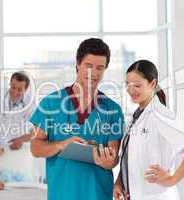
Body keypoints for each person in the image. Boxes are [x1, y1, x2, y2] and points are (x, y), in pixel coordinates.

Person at [30, 38, 125, 200]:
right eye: (88, 66)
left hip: (98, 194)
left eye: (100, 68)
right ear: (78, 64)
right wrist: (62, 145)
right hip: (62, 194)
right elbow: (35, 148)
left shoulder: (112, 110)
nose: (94, 73)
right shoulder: (51, 103)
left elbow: (113, 157)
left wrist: (108, 161)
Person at [113, 60, 184, 200]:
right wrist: (119, 182)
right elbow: (129, 158)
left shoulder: (160, 114)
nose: (131, 90)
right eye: (128, 85)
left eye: (137, 85)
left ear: (153, 84)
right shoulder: (137, 117)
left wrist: (172, 179)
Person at [0, 71, 35, 150]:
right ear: (10, 84)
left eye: (19, 89)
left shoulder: (30, 103)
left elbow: (37, 131)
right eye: (13, 87)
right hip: (1, 145)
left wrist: (21, 139)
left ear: (25, 89)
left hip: (21, 149)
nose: (15, 92)